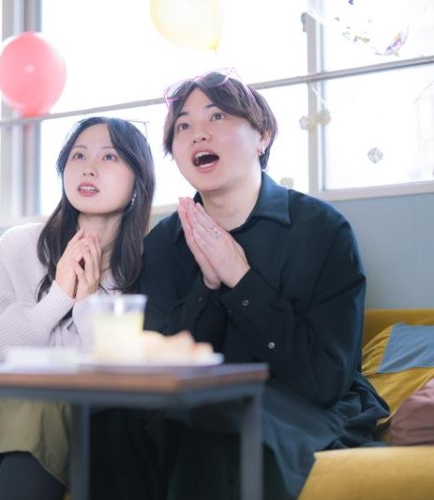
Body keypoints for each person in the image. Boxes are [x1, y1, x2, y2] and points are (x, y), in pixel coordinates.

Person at [91, 69, 389, 500]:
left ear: (262, 135)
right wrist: (208, 286)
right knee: (106, 421)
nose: (198, 134)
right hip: (192, 404)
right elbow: (160, 368)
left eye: (217, 117)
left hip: (300, 404)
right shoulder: (162, 244)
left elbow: (325, 380)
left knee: (217, 427)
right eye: (184, 126)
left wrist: (241, 279)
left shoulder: (322, 230)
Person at [0, 116, 155, 500]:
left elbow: (115, 378)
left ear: (138, 179)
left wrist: (88, 302)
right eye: (78, 155)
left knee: (42, 406)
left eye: (109, 157)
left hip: (82, 420)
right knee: (3, 405)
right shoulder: (20, 245)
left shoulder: (147, 266)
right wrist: (58, 298)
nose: (88, 167)